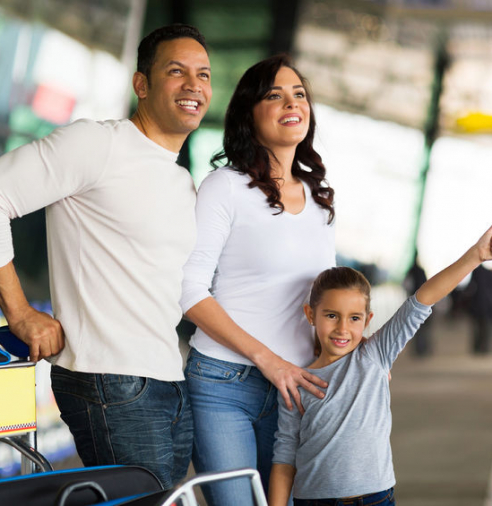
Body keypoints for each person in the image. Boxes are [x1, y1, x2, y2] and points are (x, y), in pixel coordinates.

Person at [0, 24, 212, 489]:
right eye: (177, 71)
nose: (194, 85)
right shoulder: (98, 144)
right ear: (142, 84)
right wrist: (19, 313)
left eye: (204, 74)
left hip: (166, 377)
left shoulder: (179, 182)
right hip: (109, 379)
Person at [179, 54, 335, 505]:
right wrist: (266, 359)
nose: (293, 103)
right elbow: (189, 290)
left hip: (298, 386)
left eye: (299, 94)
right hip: (224, 385)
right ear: (250, 112)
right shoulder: (224, 187)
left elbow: (326, 297)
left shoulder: (320, 199)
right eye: (275, 95)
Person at [269, 219, 492, 506]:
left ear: (367, 320)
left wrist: (476, 256)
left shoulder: (375, 355)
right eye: (331, 315)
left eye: (354, 318)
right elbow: (284, 456)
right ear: (310, 314)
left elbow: (422, 300)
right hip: (312, 501)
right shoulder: (297, 380)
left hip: (375, 499)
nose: (343, 328)